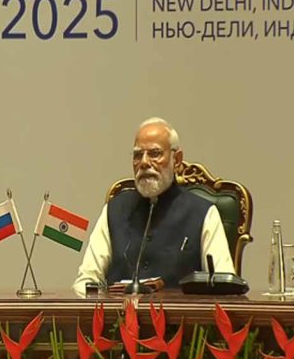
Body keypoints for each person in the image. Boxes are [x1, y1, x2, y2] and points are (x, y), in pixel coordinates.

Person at [73, 117, 234, 294]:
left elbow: (224, 286)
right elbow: (86, 279)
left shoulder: (204, 213)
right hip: (119, 311)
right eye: (137, 155)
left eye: (154, 154)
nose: (144, 162)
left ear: (177, 160)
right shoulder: (115, 210)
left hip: (179, 312)